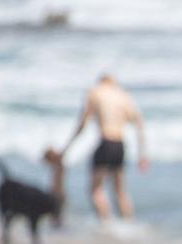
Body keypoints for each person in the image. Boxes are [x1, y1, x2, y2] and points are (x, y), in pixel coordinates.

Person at [61, 73, 147, 221]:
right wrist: (142, 154)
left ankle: (106, 224)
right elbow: (139, 122)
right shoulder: (122, 95)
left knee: (95, 189)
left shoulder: (95, 92)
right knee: (120, 191)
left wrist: (67, 147)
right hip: (120, 145)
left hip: (106, 142)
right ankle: (129, 226)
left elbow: (82, 123)